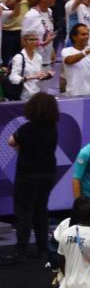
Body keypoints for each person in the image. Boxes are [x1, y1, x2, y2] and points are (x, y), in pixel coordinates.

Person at [2, 92, 59, 264]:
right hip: (48, 173)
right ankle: (42, 248)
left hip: (28, 175)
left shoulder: (27, 129)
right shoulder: (52, 128)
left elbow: (11, 141)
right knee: (41, 210)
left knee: (24, 213)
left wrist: (22, 145)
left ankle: (21, 250)